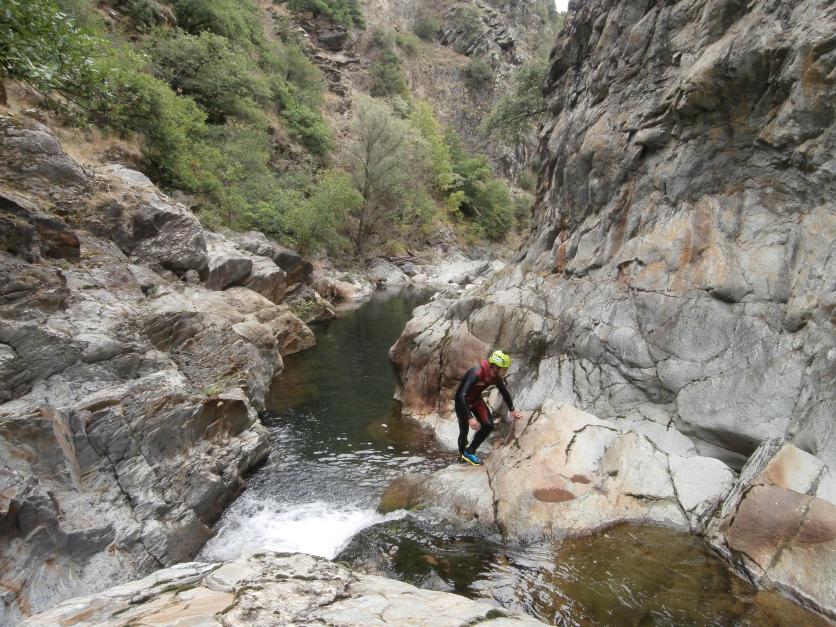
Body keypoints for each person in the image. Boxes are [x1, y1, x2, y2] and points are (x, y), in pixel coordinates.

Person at [455, 349, 523, 465]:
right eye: (504, 369)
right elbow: (461, 395)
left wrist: (512, 409)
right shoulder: (477, 373)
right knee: (464, 432)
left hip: (476, 400)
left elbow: (504, 391)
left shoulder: (495, 377)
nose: (505, 372)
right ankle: (462, 456)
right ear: (495, 367)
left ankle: (469, 452)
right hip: (462, 402)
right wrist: (470, 418)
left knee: (488, 425)